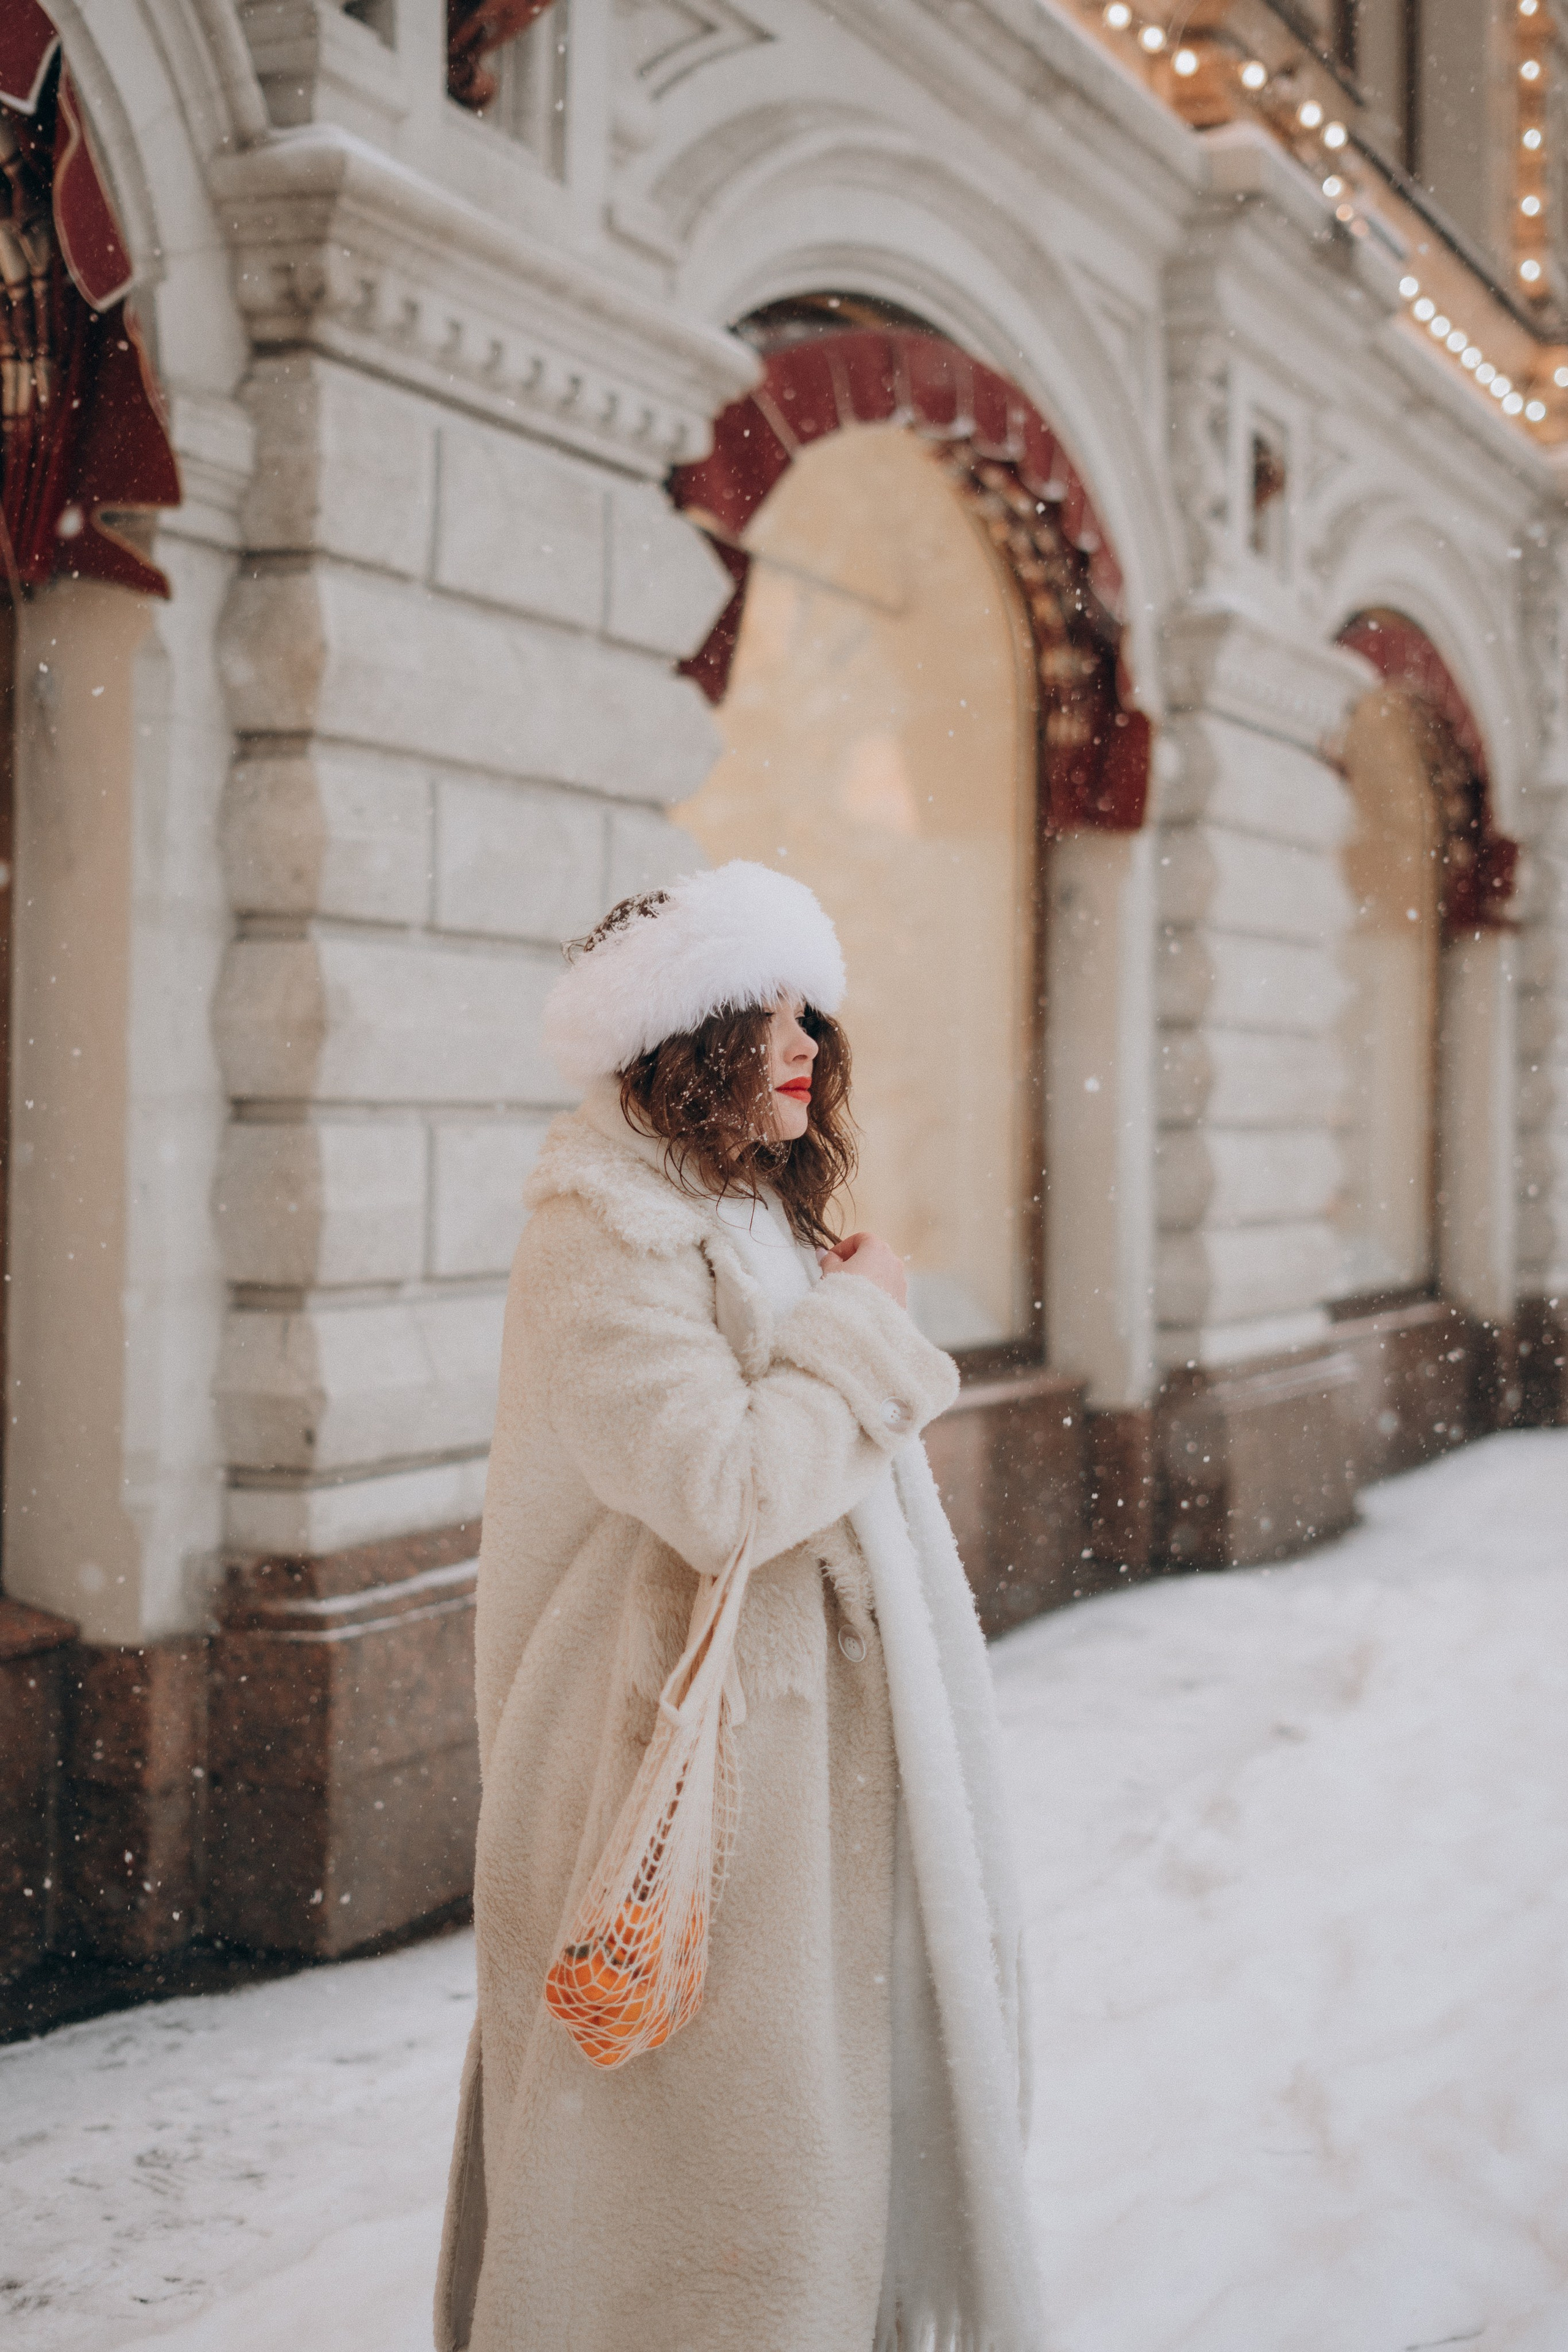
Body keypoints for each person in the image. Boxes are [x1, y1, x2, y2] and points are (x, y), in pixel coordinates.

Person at [435, 860, 1042, 2352]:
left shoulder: (743, 1207)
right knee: (699, 2168)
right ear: (676, 1047)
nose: (802, 1048)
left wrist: (832, 1312)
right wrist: (861, 1325)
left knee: (819, 2124)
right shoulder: (603, 1230)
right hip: (680, 1762)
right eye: (759, 1016)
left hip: (800, 1757)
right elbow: (725, 1490)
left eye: (809, 1013)